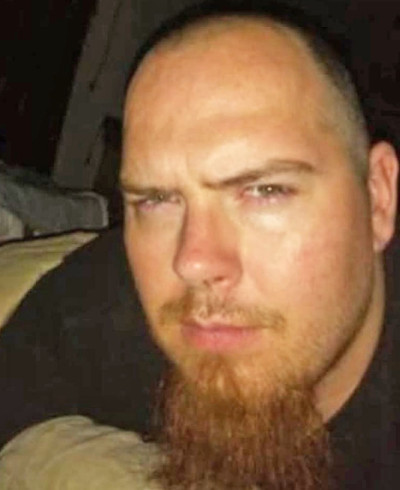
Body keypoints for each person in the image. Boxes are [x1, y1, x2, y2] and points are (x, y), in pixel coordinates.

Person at [0, 1, 399, 489]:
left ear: (378, 198)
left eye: (265, 190)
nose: (193, 262)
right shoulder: (106, 303)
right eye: (157, 200)